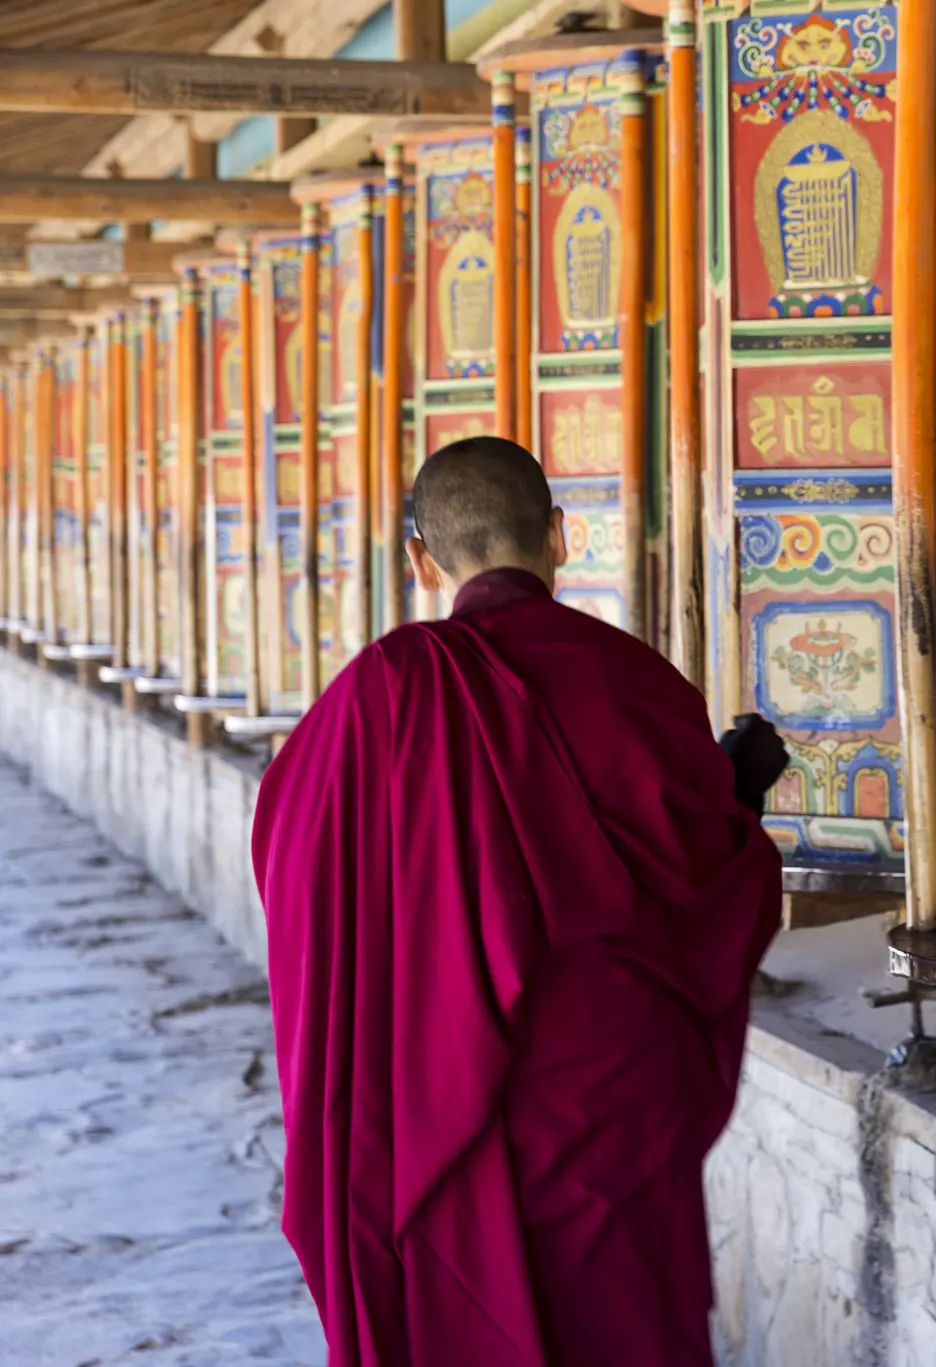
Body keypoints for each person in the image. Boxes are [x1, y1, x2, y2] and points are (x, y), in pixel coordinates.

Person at [252, 436, 785, 1365]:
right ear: (559, 535)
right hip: (610, 1100)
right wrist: (740, 800)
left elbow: (290, 849)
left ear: (422, 560)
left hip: (439, 1091)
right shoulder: (638, 680)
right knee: (623, 1319)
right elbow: (710, 886)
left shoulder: (381, 693)